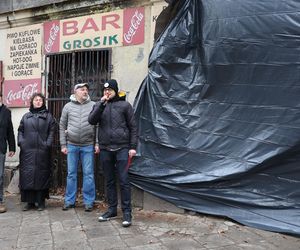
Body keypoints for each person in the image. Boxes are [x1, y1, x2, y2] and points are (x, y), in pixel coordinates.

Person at [88, 79, 137, 227]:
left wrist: (133, 147)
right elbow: (91, 120)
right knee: (109, 181)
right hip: (105, 148)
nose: (107, 92)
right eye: (104, 90)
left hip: (122, 148)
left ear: (116, 90)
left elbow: (133, 127)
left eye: (109, 90)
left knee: (123, 180)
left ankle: (127, 212)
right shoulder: (100, 105)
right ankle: (111, 209)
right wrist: (101, 103)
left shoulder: (125, 106)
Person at [60, 82, 99, 212]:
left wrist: (97, 143)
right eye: (82, 89)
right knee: (71, 174)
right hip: (71, 145)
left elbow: (98, 125)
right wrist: (63, 144)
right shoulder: (67, 107)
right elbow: (62, 125)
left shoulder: (93, 105)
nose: (85, 91)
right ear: (75, 91)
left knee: (88, 174)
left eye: (87, 89)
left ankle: (89, 201)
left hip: (88, 145)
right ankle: (69, 200)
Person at [17, 93, 56, 211]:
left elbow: (52, 131)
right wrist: (21, 143)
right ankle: (29, 202)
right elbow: (20, 131)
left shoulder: (48, 116)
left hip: (42, 151)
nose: (38, 102)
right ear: (32, 102)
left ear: (43, 102)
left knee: (41, 175)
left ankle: (41, 201)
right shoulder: (26, 116)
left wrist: (47, 144)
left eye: (40, 100)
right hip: (27, 151)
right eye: (36, 100)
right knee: (27, 174)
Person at [0, 93, 16, 213]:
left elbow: (10, 130)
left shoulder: (6, 112)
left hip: (1, 148)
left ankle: (0, 201)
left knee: (0, 176)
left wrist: (12, 147)